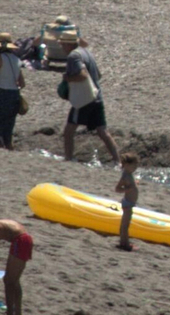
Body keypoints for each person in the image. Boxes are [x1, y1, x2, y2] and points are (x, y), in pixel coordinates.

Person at [60, 36, 120, 166]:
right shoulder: (87, 52)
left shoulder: (73, 56)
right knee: (103, 131)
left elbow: (82, 75)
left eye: (62, 44)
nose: (61, 47)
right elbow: (98, 75)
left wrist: (68, 78)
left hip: (84, 99)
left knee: (69, 130)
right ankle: (117, 161)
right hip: (97, 96)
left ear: (68, 44)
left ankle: (68, 159)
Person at [114, 151, 140, 252]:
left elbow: (131, 184)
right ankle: (124, 244)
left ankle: (124, 242)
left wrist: (135, 184)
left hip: (130, 203)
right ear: (127, 165)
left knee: (126, 224)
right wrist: (127, 190)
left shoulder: (129, 174)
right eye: (134, 166)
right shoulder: (125, 176)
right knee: (125, 225)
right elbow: (117, 189)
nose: (135, 168)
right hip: (127, 204)